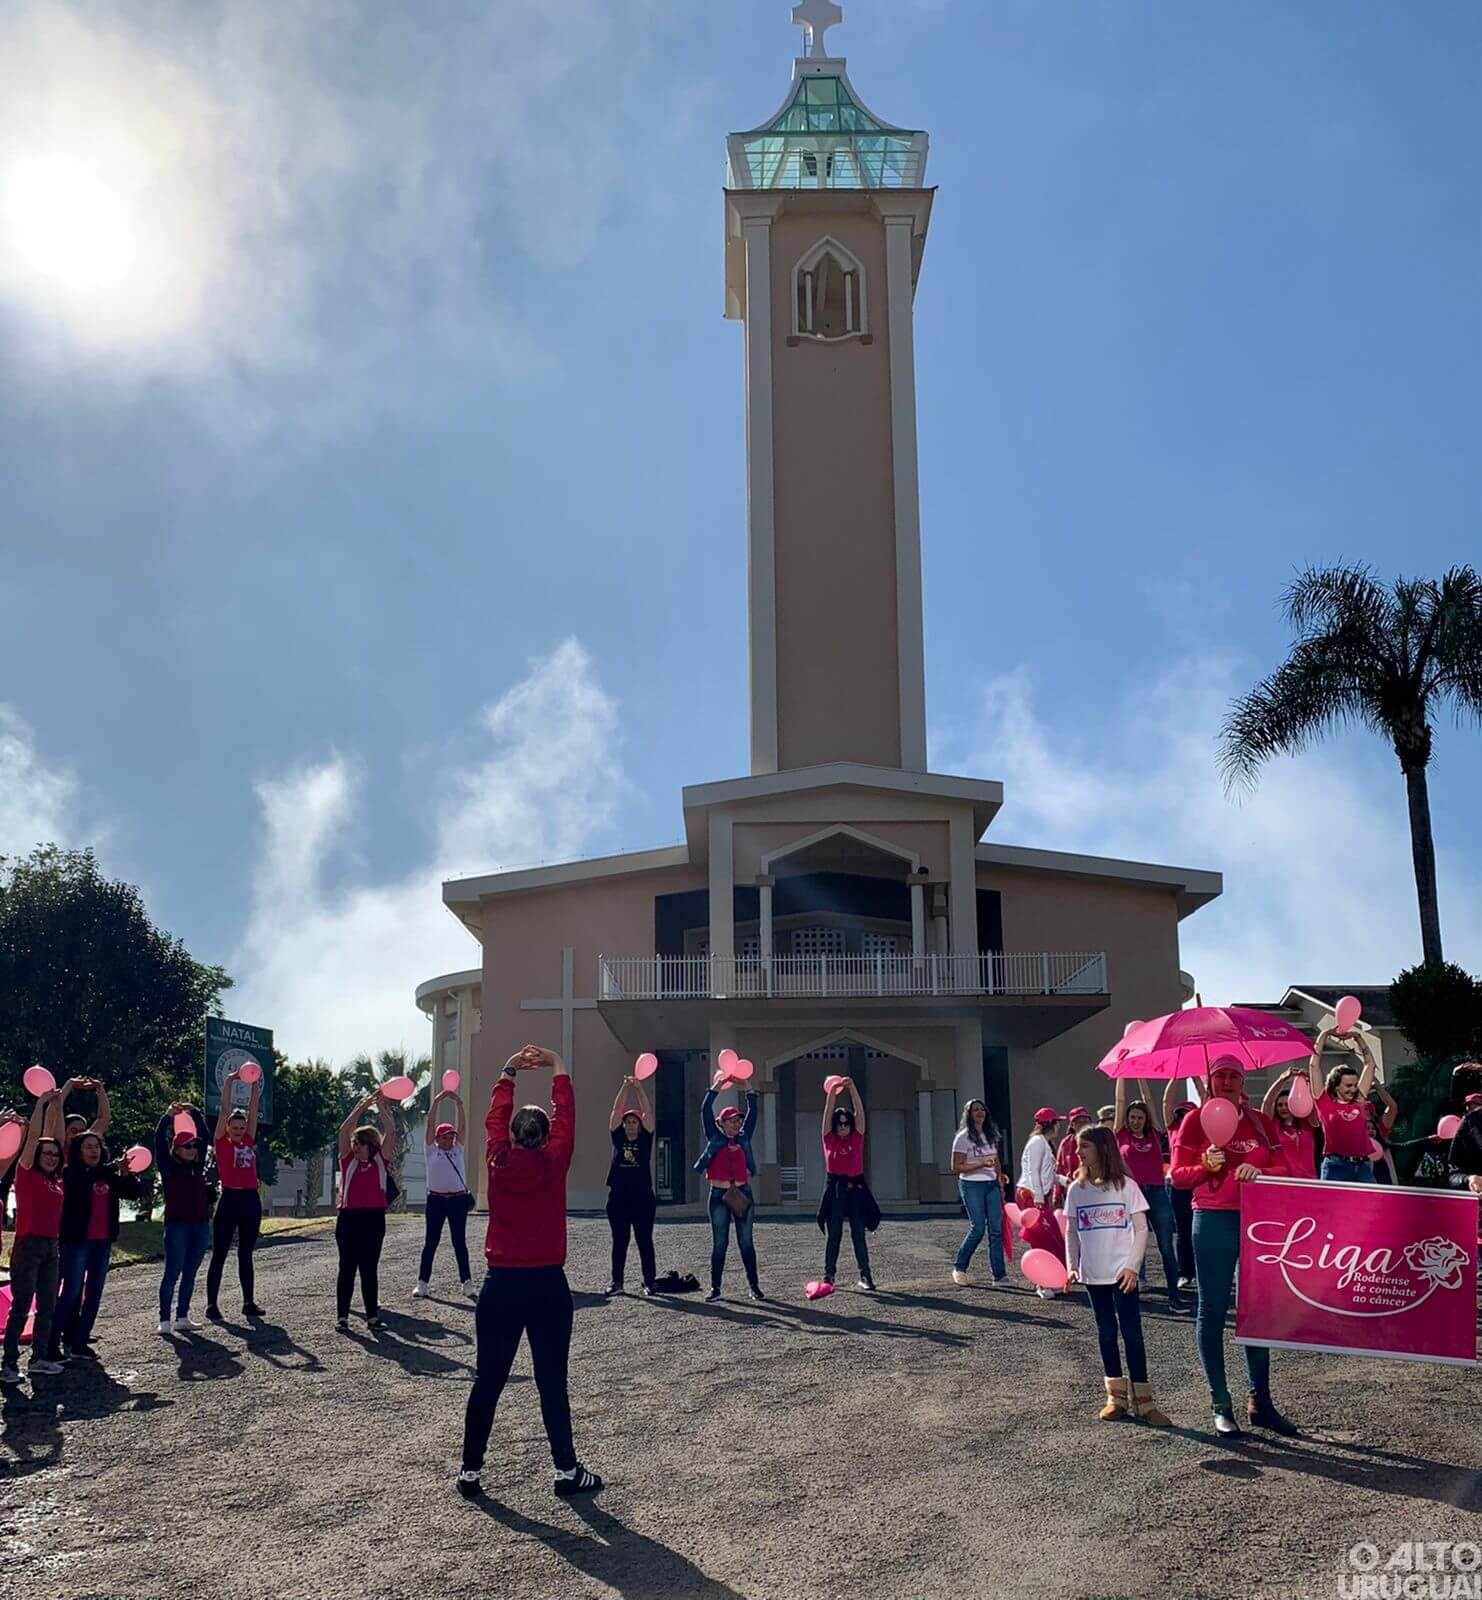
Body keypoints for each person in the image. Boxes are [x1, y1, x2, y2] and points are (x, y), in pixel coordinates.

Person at [458, 1045, 602, 1502]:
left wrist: (508, 1073)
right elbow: (568, 1118)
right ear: (544, 1135)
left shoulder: (498, 1161)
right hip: (545, 1285)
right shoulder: (554, 1160)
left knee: (488, 1379)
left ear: (516, 1136)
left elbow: (493, 1121)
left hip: (499, 1283)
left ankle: (471, 1471)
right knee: (551, 1380)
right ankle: (565, 1470)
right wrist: (558, 1064)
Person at [1171, 1056, 1294, 1437]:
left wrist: (1261, 1171)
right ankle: (1220, 1403)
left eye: (1233, 1076)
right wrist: (1206, 1167)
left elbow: (1286, 1168)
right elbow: (1177, 1177)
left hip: (1257, 1222)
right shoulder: (1194, 1121)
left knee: (1257, 1312)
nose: (1226, 1081)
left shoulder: (1259, 1119)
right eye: (1219, 1075)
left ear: (1244, 1081)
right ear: (1209, 1081)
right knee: (1212, 1308)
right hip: (1212, 1221)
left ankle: (1261, 1401)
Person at [1063, 1126, 1171, 1426]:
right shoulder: (1077, 1190)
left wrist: (1132, 1267)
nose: (1078, 1152)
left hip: (1123, 1274)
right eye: (1077, 1147)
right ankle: (1116, 1397)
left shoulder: (1127, 1187)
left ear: (1102, 1148)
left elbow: (1141, 1229)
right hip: (1093, 1275)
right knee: (1106, 1334)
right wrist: (1073, 1265)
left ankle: (1145, 1402)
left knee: (1133, 1335)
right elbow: (1071, 1230)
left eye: (1084, 1146)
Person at [51, 1127, 139, 1361]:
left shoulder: (108, 1174)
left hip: (103, 1243)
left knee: (94, 1295)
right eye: (88, 1146)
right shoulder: (71, 1173)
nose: (94, 1150)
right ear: (78, 1151)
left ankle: (80, 1343)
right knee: (70, 1293)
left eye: (97, 1146)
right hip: (77, 1242)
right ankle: (52, 1344)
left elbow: (133, 1193)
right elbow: (83, 1182)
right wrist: (111, 1169)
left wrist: (126, 1174)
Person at [1, 1092, 67, 1386]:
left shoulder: (56, 1180)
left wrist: (58, 1106)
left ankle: (39, 1358)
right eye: (47, 1154)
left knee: (48, 1306)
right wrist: (41, 1105)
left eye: (55, 1155)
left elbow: (58, 1137)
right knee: (21, 1306)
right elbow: (33, 1142)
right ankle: (9, 1364)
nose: (51, 1157)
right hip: (28, 1246)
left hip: (52, 1246)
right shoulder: (26, 1175)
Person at [1114, 1078, 1190, 1313]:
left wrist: (1140, 1076)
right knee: (1130, 1246)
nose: (1136, 1121)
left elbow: (1149, 1100)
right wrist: (1123, 1074)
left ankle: (1174, 1298)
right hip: (1132, 1195)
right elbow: (1120, 1101)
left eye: (1140, 1117)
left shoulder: (1155, 1133)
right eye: (1132, 1117)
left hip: (1156, 1193)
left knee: (1166, 1246)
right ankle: (1129, 1297)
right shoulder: (1121, 1133)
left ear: (1146, 1119)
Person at [695, 1069, 762, 1303]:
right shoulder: (714, 1136)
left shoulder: (744, 1137)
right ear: (722, 1123)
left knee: (746, 1241)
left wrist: (746, 1084)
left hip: (743, 1193)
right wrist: (716, 1085)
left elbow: (754, 1110)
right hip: (719, 1195)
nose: (737, 1123)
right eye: (732, 1120)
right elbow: (704, 1110)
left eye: (738, 1120)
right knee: (720, 1243)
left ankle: (754, 1286)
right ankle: (715, 1288)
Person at [335, 1091, 398, 1331]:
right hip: (349, 1218)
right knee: (347, 1267)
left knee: (369, 1268)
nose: (356, 1147)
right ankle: (342, 1317)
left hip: (373, 1218)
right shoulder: (348, 1160)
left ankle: (372, 1317)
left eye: (360, 1144)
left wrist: (382, 1107)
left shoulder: (381, 1160)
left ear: (371, 1146)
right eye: (355, 1144)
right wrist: (361, 1107)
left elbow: (390, 1132)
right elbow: (343, 1130)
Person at [206, 1068, 265, 1320]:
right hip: (229, 1198)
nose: (240, 1129)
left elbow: (253, 1111)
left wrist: (253, 1084)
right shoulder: (221, 1142)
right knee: (220, 1252)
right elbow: (223, 1111)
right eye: (235, 1126)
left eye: (242, 1126)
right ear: (228, 1128)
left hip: (250, 1199)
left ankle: (248, 1302)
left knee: (246, 1252)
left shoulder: (249, 1141)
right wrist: (230, 1082)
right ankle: (211, 1305)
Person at [155, 1103, 212, 1333]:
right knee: (172, 1272)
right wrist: (168, 1117)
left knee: (190, 1272)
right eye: (187, 1146)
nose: (192, 1149)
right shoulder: (168, 1167)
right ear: (177, 1149)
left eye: (193, 1146)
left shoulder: (197, 1167)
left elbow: (205, 1138)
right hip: (177, 1225)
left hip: (200, 1224)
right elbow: (159, 1140)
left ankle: (182, 1316)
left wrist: (195, 1112)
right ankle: (165, 1320)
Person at [416, 1089, 476, 1300]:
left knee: (459, 1241)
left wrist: (459, 1104)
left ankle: (467, 1283)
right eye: (446, 1136)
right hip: (436, 1200)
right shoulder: (431, 1150)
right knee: (431, 1242)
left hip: (458, 1199)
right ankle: (422, 1283)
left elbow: (463, 1127)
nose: (450, 1138)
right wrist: (438, 1101)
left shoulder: (458, 1149)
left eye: (452, 1136)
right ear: (437, 1138)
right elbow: (431, 1125)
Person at [819, 1076, 877, 1291]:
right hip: (835, 1188)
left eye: (846, 1123)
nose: (843, 1126)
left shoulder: (857, 1138)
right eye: (839, 1123)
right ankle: (829, 1276)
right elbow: (827, 1113)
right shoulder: (829, 1139)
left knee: (858, 1234)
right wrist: (832, 1094)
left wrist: (852, 1088)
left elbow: (860, 1113)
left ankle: (865, 1275)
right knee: (833, 1234)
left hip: (856, 1188)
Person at [604, 1076, 657, 1297]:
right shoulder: (617, 1137)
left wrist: (639, 1088)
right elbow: (617, 1110)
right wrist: (625, 1087)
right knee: (620, 1241)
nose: (630, 1125)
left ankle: (650, 1282)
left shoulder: (645, 1139)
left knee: (644, 1240)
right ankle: (617, 1283)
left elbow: (648, 1112)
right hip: (618, 1198)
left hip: (643, 1198)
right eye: (628, 1122)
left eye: (634, 1121)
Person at [1307, 1027, 1378, 1182]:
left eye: (1355, 1085)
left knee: (1370, 1205)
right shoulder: (1324, 1101)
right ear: (1336, 1085)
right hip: (1335, 1166)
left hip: (1362, 1166)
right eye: (1348, 1086)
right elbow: (1314, 1065)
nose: (1353, 1089)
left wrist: (1358, 1038)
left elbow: (1370, 1065)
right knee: (1332, 1206)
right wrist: (1324, 1035)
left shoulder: (1358, 1100)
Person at [951, 1098, 1006, 1287]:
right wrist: (980, 1164)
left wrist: (999, 1179)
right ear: (968, 1114)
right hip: (971, 1185)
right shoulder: (963, 1137)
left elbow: (995, 1159)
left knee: (996, 1230)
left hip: (991, 1184)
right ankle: (960, 1267)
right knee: (978, 1228)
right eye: (975, 1110)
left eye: (982, 1109)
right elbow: (956, 1166)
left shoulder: (991, 1134)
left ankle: (999, 1276)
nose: (979, 1112)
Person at [1017, 1108, 1065, 1298]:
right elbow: (1033, 1172)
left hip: (1037, 1196)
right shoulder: (1038, 1143)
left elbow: (1047, 1174)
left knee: (1050, 1237)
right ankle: (1042, 1282)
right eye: (1057, 1122)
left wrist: (1063, 1181)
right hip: (1031, 1196)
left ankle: (1050, 1279)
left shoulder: (1044, 1143)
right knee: (1041, 1238)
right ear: (1052, 1124)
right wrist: (1037, 1197)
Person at [1162, 1086, 1199, 1290]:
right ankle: (1185, 1272)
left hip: (1197, 1180)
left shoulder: (1201, 1128)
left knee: (1200, 1229)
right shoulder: (1172, 1128)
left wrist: (1195, 1076)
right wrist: (1176, 1075)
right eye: (1181, 1113)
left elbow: (1206, 1098)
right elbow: (1167, 1102)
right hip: (1176, 1183)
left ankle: (1201, 1271)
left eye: (1188, 1113)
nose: (1184, 1116)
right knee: (1183, 1230)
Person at [1261, 1070, 1318, 1180]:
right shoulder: (1273, 1126)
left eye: (1287, 1104)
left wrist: (1309, 1082)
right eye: (1280, 1105)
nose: (1283, 1108)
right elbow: (1267, 1102)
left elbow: (1314, 1102)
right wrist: (1282, 1079)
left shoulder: (1307, 1124)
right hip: (1283, 1180)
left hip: (1309, 1181)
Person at [58, 1076, 111, 1151]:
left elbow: (103, 1118)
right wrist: (69, 1084)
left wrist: (99, 1087)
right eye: (73, 1131)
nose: (78, 1135)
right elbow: (55, 1109)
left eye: (82, 1131)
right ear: (64, 1131)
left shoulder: (86, 1146)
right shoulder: (58, 1146)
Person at [1054, 1108, 1091, 1205]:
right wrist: (1057, 1194)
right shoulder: (1066, 1143)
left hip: (1092, 1190)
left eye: (1086, 1121)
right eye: (1079, 1122)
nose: (1083, 1125)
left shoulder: (1096, 1141)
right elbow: (1059, 1169)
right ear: (1072, 1125)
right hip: (1072, 1190)